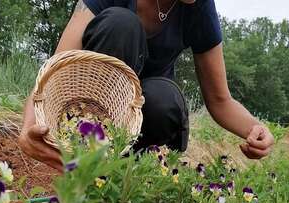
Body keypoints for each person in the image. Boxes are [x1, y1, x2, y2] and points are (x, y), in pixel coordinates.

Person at [19, 0, 275, 172]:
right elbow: (56, 67)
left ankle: (126, 172)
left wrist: (255, 129)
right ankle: (86, 160)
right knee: (121, 25)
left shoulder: (200, 8)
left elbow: (220, 100)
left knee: (165, 100)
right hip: (92, 109)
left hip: (146, 116)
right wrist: (28, 130)